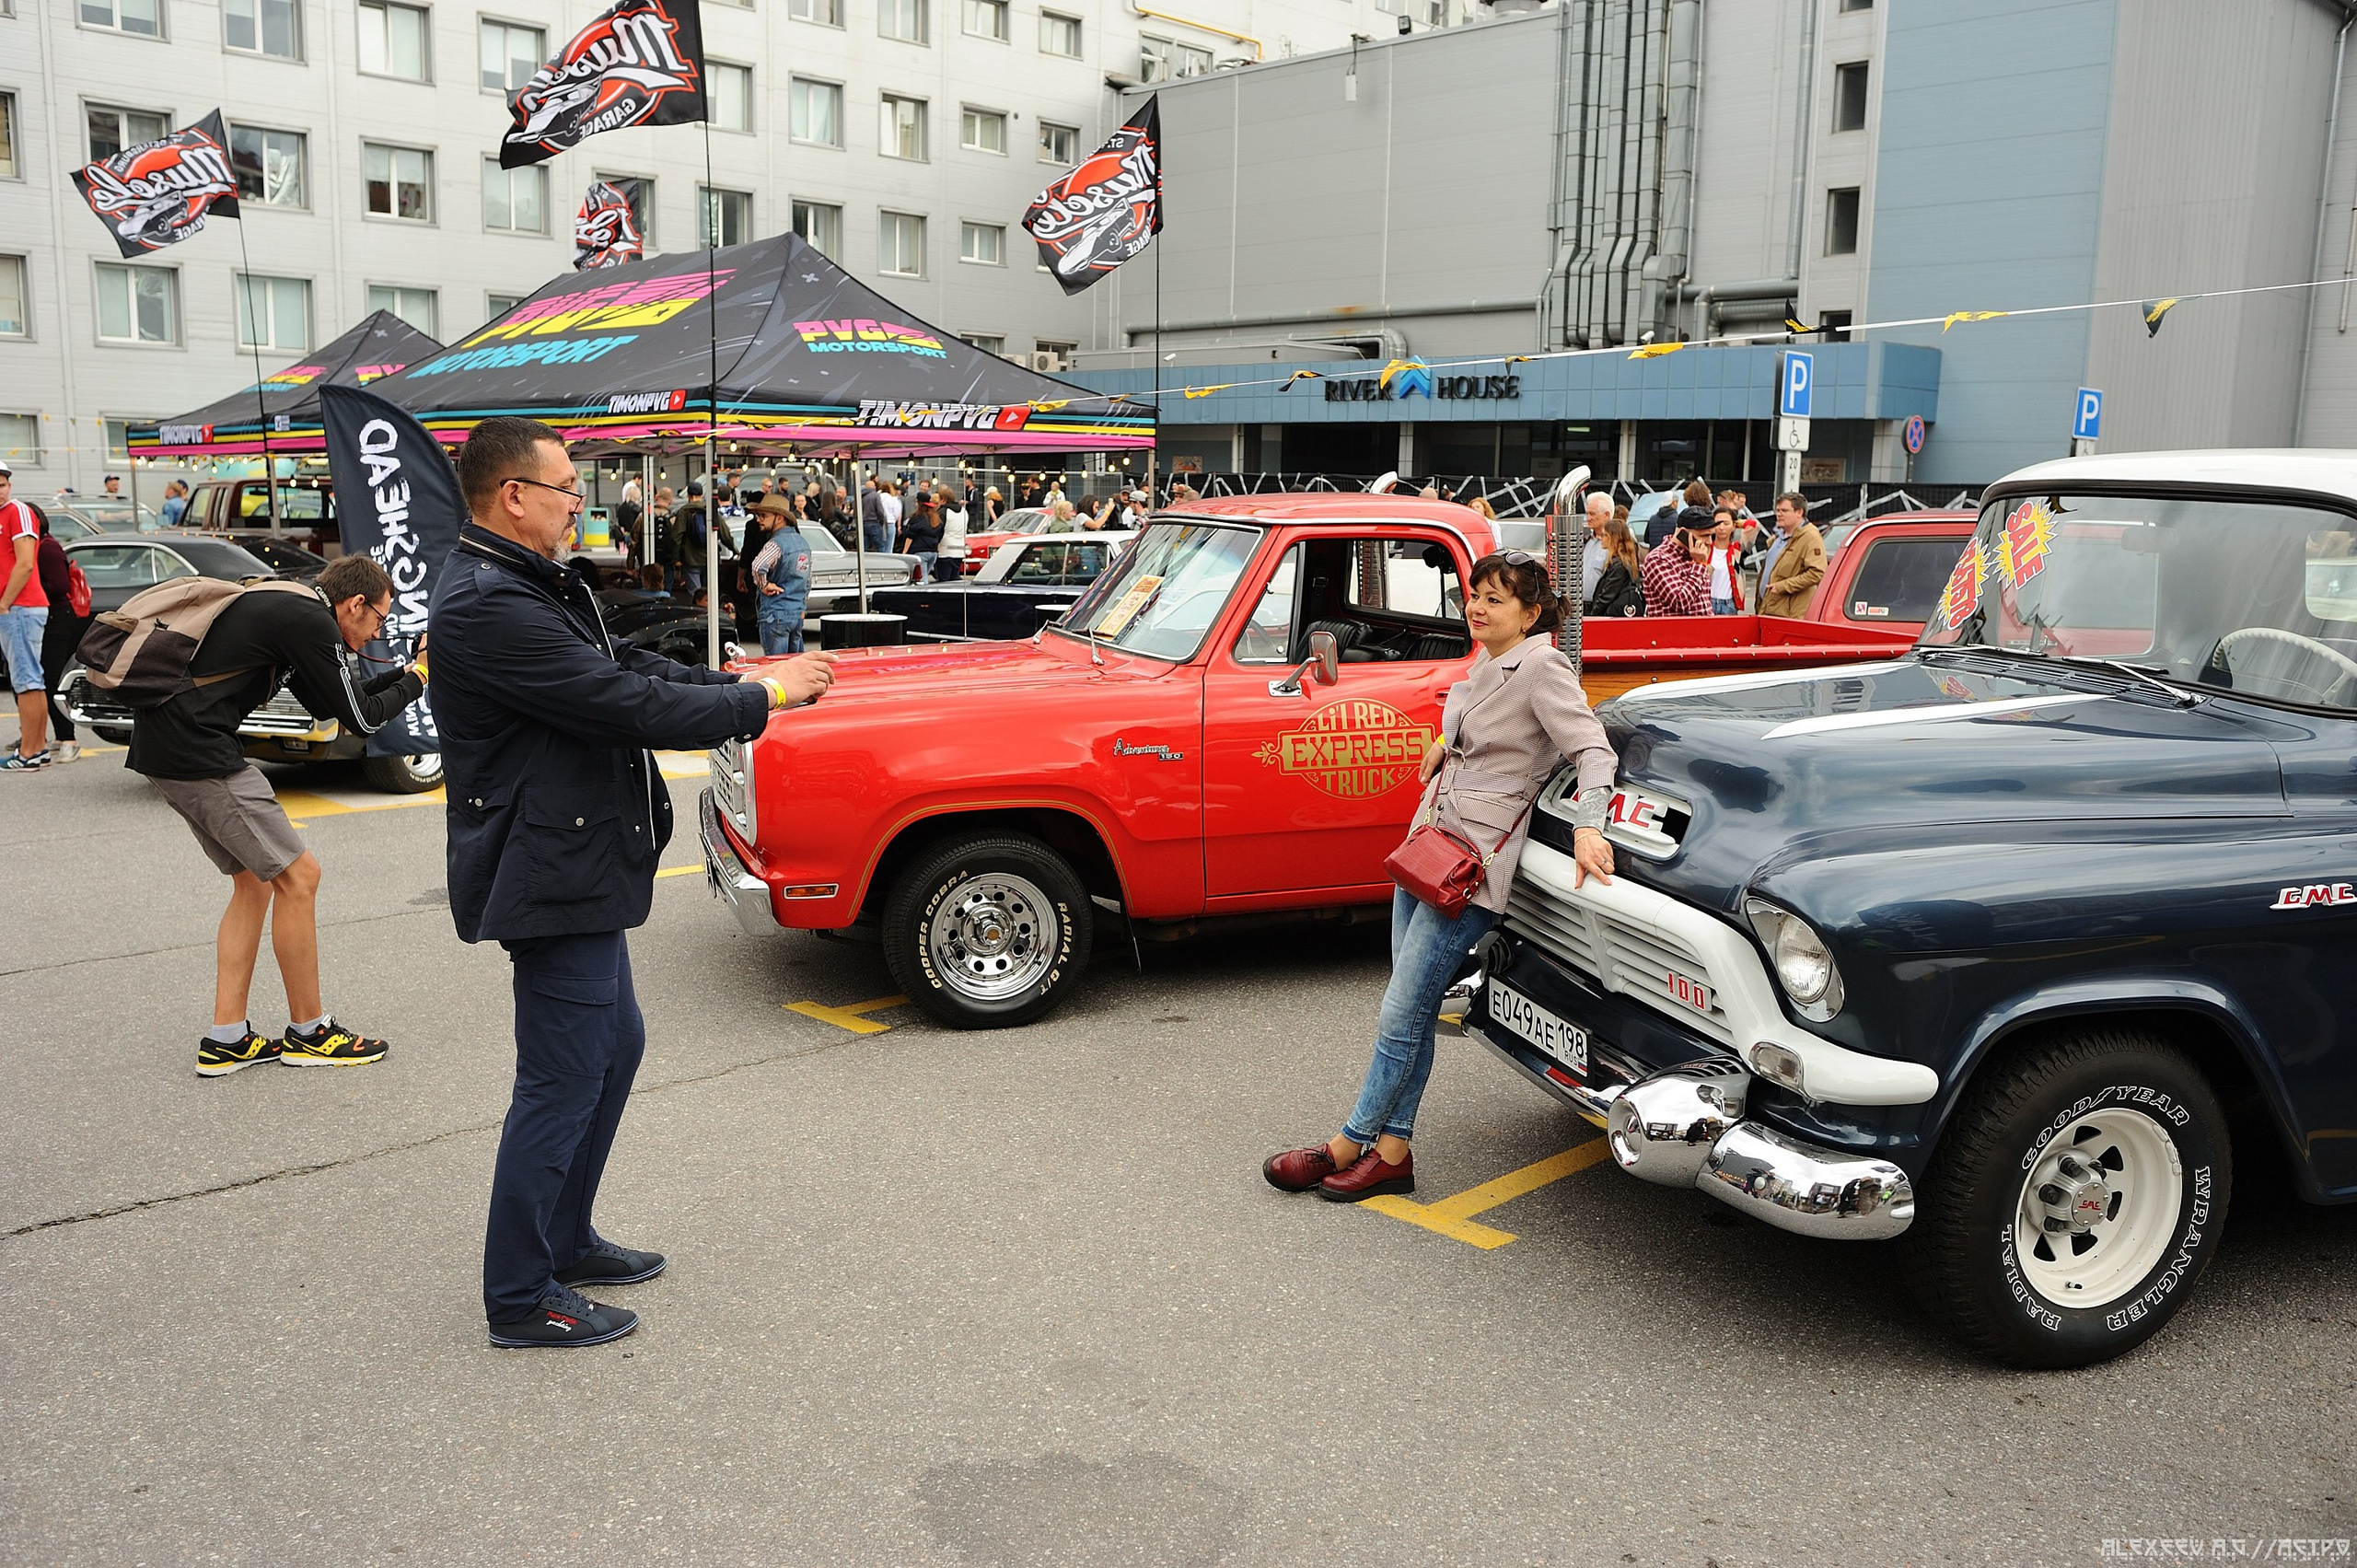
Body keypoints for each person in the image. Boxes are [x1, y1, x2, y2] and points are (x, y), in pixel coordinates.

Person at [429, 416, 839, 1351]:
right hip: (550, 868)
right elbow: (618, 702)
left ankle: (564, 1236)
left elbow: (622, 665)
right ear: (514, 496)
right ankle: (521, 1294)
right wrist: (763, 699)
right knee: (563, 1076)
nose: (581, 502)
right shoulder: (489, 601)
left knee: (612, 1048)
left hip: (576, 861)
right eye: (568, 486)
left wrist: (739, 674)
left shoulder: (526, 583)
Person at [1262, 551, 1618, 1201]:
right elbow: (1481, 729)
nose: (1477, 607)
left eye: (1494, 599)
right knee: (1414, 1008)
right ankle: (1393, 1153)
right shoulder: (1489, 657)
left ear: (1530, 613)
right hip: (1429, 845)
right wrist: (1442, 742)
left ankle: (1350, 1140)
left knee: (1401, 1010)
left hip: (1470, 870)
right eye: (1474, 595)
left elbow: (1591, 749)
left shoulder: (1543, 664)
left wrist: (1590, 824)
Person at [131, 553, 425, 1073]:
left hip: (169, 750)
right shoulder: (310, 621)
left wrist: (404, 675)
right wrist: (422, 676)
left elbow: (332, 704)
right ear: (354, 603)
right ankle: (310, 1031)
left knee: (256, 882)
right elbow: (361, 721)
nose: (377, 634)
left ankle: (227, 1039)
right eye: (379, 619)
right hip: (199, 754)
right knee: (300, 876)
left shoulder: (291, 607)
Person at [0, 460, 52, 771]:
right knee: (29, 681)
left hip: (20, 608)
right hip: (17, 608)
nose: (0, 491)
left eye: (3, 485)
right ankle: (37, 748)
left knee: (27, 682)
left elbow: (25, 564)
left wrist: (5, 603)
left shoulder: (17, 511)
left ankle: (31, 752)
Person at [32, 505, 87, 763]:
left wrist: (28, 587)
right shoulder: (37, 546)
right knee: (41, 680)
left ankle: (69, 738)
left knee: (52, 679)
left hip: (57, 618)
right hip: (47, 617)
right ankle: (48, 736)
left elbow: (59, 585)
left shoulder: (47, 547)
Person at [749, 494, 811, 655]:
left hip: (776, 613)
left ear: (779, 518)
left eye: (763, 515)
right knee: (796, 666)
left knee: (776, 668)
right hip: (797, 613)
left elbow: (757, 566)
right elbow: (807, 580)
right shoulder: (803, 542)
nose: (758, 519)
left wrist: (764, 585)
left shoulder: (775, 544)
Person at [1759, 491, 1828, 618]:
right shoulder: (1779, 537)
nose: (1778, 514)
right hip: (1769, 609)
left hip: (1789, 614)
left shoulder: (1810, 537)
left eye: (1784, 511)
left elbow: (1817, 573)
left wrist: (1782, 587)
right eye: (1777, 510)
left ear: (1799, 512)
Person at [1640, 521, 1713, 617]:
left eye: (1712, 536)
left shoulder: (1695, 555)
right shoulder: (1658, 559)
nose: (1709, 542)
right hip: (1674, 630)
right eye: (1704, 536)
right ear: (1684, 533)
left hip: (1704, 629)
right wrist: (1699, 565)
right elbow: (1680, 603)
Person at [1587, 515, 1644, 618]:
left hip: (1613, 616)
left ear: (1613, 538)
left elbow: (1607, 595)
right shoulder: (1624, 561)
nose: (1601, 538)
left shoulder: (1619, 564)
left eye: (1604, 535)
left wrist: (1593, 616)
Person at [1706, 507, 1747, 615]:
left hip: (1729, 604)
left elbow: (1753, 526)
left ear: (1734, 526)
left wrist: (1736, 523)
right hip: (1707, 602)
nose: (1721, 527)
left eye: (1726, 523)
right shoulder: (1705, 548)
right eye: (1718, 523)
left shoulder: (1737, 550)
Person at [900, 489, 942, 575]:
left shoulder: (917, 518)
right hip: (933, 552)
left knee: (922, 580)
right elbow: (940, 534)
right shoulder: (936, 519)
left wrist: (904, 552)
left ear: (918, 503)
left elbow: (910, 536)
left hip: (920, 551)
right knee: (923, 577)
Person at [1579, 492, 1613, 594]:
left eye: (1592, 514)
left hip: (1601, 607)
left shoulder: (1616, 544)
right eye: (1587, 513)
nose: (1588, 518)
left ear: (1606, 515)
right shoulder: (1585, 541)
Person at [935, 483, 969, 581]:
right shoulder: (964, 512)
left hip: (945, 551)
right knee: (954, 580)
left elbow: (938, 531)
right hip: (959, 551)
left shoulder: (943, 512)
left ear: (943, 499)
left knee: (943, 581)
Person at [860, 476, 891, 553]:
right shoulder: (875, 495)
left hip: (863, 524)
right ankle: (883, 562)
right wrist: (881, 522)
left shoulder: (860, 496)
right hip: (874, 523)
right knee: (880, 546)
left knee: (864, 547)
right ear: (874, 487)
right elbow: (880, 511)